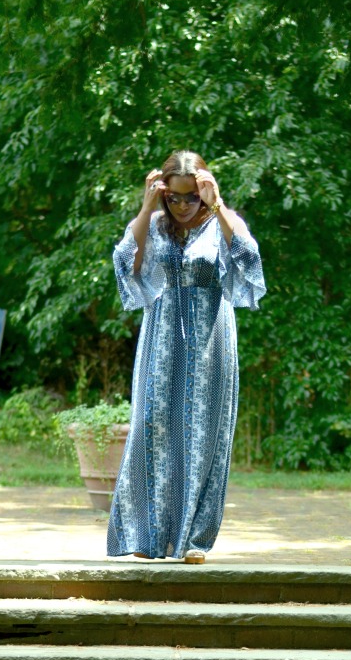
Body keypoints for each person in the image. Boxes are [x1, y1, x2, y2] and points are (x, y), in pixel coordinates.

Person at [107, 150, 265, 563]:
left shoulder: (221, 224)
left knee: (201, 436)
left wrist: (218, 206)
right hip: (160, 337)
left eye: (189, 198)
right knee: (151, 427)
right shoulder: (155, 225)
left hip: (211, 340)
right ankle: (149, 536)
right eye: (172, 198)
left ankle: (194, 541)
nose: (180, 206)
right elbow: (127, 263)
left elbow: (249, 260)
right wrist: (144, 209)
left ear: (203, 192)